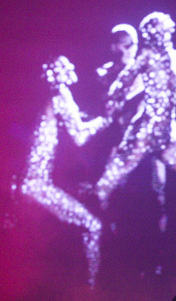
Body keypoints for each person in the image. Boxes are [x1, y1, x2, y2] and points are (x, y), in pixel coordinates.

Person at [94, 13, 176, 213]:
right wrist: (114, 103)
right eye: (163, 31)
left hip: (165, 132)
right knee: (109, 183)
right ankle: (96, 222)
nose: (168, 35)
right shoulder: (146, 56)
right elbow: (120, 86)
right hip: (144, 131)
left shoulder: (171, 56)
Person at [21, 56, 109, 286]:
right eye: (65, 64)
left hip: (32, 183)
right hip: (37, 185)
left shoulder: (51, 97)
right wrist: (106, 119)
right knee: (93, 227)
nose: (71, 66)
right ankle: (91, 289)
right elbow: (79, 135)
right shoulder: (61, 94)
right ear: (57, 73)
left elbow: (76, 121)